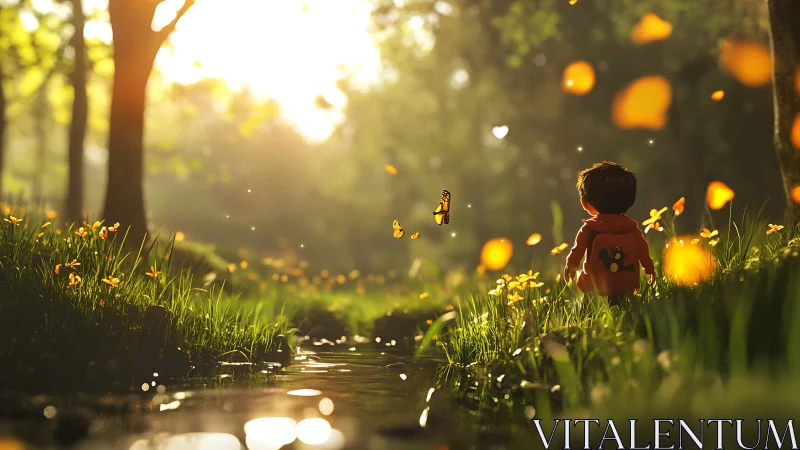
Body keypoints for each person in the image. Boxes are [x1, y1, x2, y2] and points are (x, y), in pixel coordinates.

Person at [563, 161, 655, 306]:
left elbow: (578, 250)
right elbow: (643, 251)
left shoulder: (590, 228)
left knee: (589, 308)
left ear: (585, 203)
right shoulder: (631, 229)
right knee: (624, 308)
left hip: (594, 284)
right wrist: (649, 268)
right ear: (629, 201)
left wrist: (571, 265)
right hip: (625, 283)